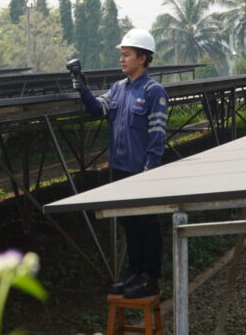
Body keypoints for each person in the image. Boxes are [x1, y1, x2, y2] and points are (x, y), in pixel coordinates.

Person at [70, 28, 168, 298]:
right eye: (122, 55)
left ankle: (151, 278)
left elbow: (157, 132)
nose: (122, 59)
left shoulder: (153, 91)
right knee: (129, 224)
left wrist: (152, 165)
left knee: (148, 224)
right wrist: (82, 87)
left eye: (127, 55)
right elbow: (97, 110)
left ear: (143, 58)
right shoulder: (118, 89)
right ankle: (134, 274)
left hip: (143, 170)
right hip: (120, 168)